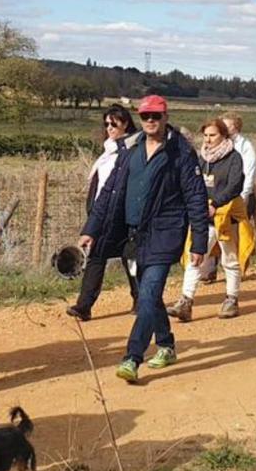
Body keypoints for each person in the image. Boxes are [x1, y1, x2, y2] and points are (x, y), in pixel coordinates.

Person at [78, 95, 209, 383]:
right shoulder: (130, 150)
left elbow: (197, 198)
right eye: (146, 116)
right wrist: (91, 229)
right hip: (133, 236)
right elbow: (109, 193)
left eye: (156, 116)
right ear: (139, 118)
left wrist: (199, 241)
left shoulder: (181, 153)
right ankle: (166, 345)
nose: (151, 121)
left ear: (165, 116)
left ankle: (132, 357)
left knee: (148, 294)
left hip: (166, 233)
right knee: (152, 296)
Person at [167, 118, 246, 321]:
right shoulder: (200, 158)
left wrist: (216, 203)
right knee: (195, 256)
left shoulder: (234, 158)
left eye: (213, 135)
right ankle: (186, 301)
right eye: (206, 135)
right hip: (203, 217)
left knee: (229, 259)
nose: (208, 139)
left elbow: (235, 185)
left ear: (223, 136)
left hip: (226, 216)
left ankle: (231, 298)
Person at [66, 105, 139, 321]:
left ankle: (139, 298)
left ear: (125, 123)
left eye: (114, 123)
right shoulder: (108, 150)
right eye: (106, 123)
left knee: (130, 257)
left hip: (123, 215)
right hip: (103, 213)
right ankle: (84, 305)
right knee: (98, 256)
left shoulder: (132, 150)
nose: (109, 127)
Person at [222, 111, 256, 277]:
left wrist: (244, 196)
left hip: (241, 195)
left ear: (235, 127)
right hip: (223, 196)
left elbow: (250, 172)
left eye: (226, 125)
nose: (223, 128)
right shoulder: (221, 144)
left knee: (238, 233)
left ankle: (239, 268)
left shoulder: (246, 146)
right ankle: (213, 269)